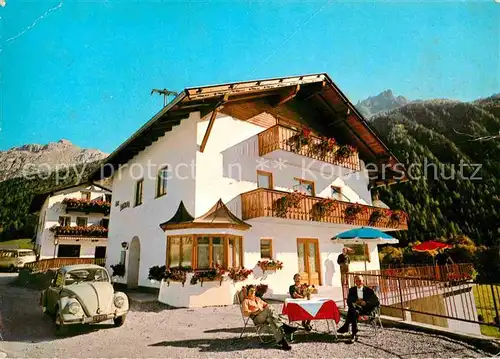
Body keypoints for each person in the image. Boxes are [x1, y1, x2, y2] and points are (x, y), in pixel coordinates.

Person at [242, 285, 297, 350]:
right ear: (248, 292)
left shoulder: (258, 299)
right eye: (251, 291)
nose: (253, 292)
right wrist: (254, 312)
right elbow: (245, 313)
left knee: (271, 319)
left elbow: (266, 305)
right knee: (269, 309)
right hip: (257, 318)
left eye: (254, 291)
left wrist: (265, 308)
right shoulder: (246, 301)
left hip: (265, 316)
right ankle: (284, 326)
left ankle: (282, 342)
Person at [337, 274, 380, 341]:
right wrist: (356, 302)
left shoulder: (369, 291)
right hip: (356, 309)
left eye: (360, 281)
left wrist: (366, 302)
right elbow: (348, 301)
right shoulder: (352, 290)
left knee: (352, 312)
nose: (358, 282)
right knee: (354, 310)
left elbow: (376, 302)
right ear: (355, 282)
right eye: (357, 281)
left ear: (363, 281)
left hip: (366, 310)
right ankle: (354, 334)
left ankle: (346, 326)